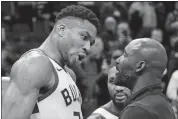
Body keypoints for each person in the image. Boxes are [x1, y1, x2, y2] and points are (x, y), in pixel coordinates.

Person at [2, 5, 100, 119]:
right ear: (61, 29)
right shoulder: (35, 64)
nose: (88, 48)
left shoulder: (70, 74)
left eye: (91, 43)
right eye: (84, 37)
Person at [115, 38, 176, 119]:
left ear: (140, 66)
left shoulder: (137, 111)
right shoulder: (163, 105)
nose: (117, 60)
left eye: (125, 55)